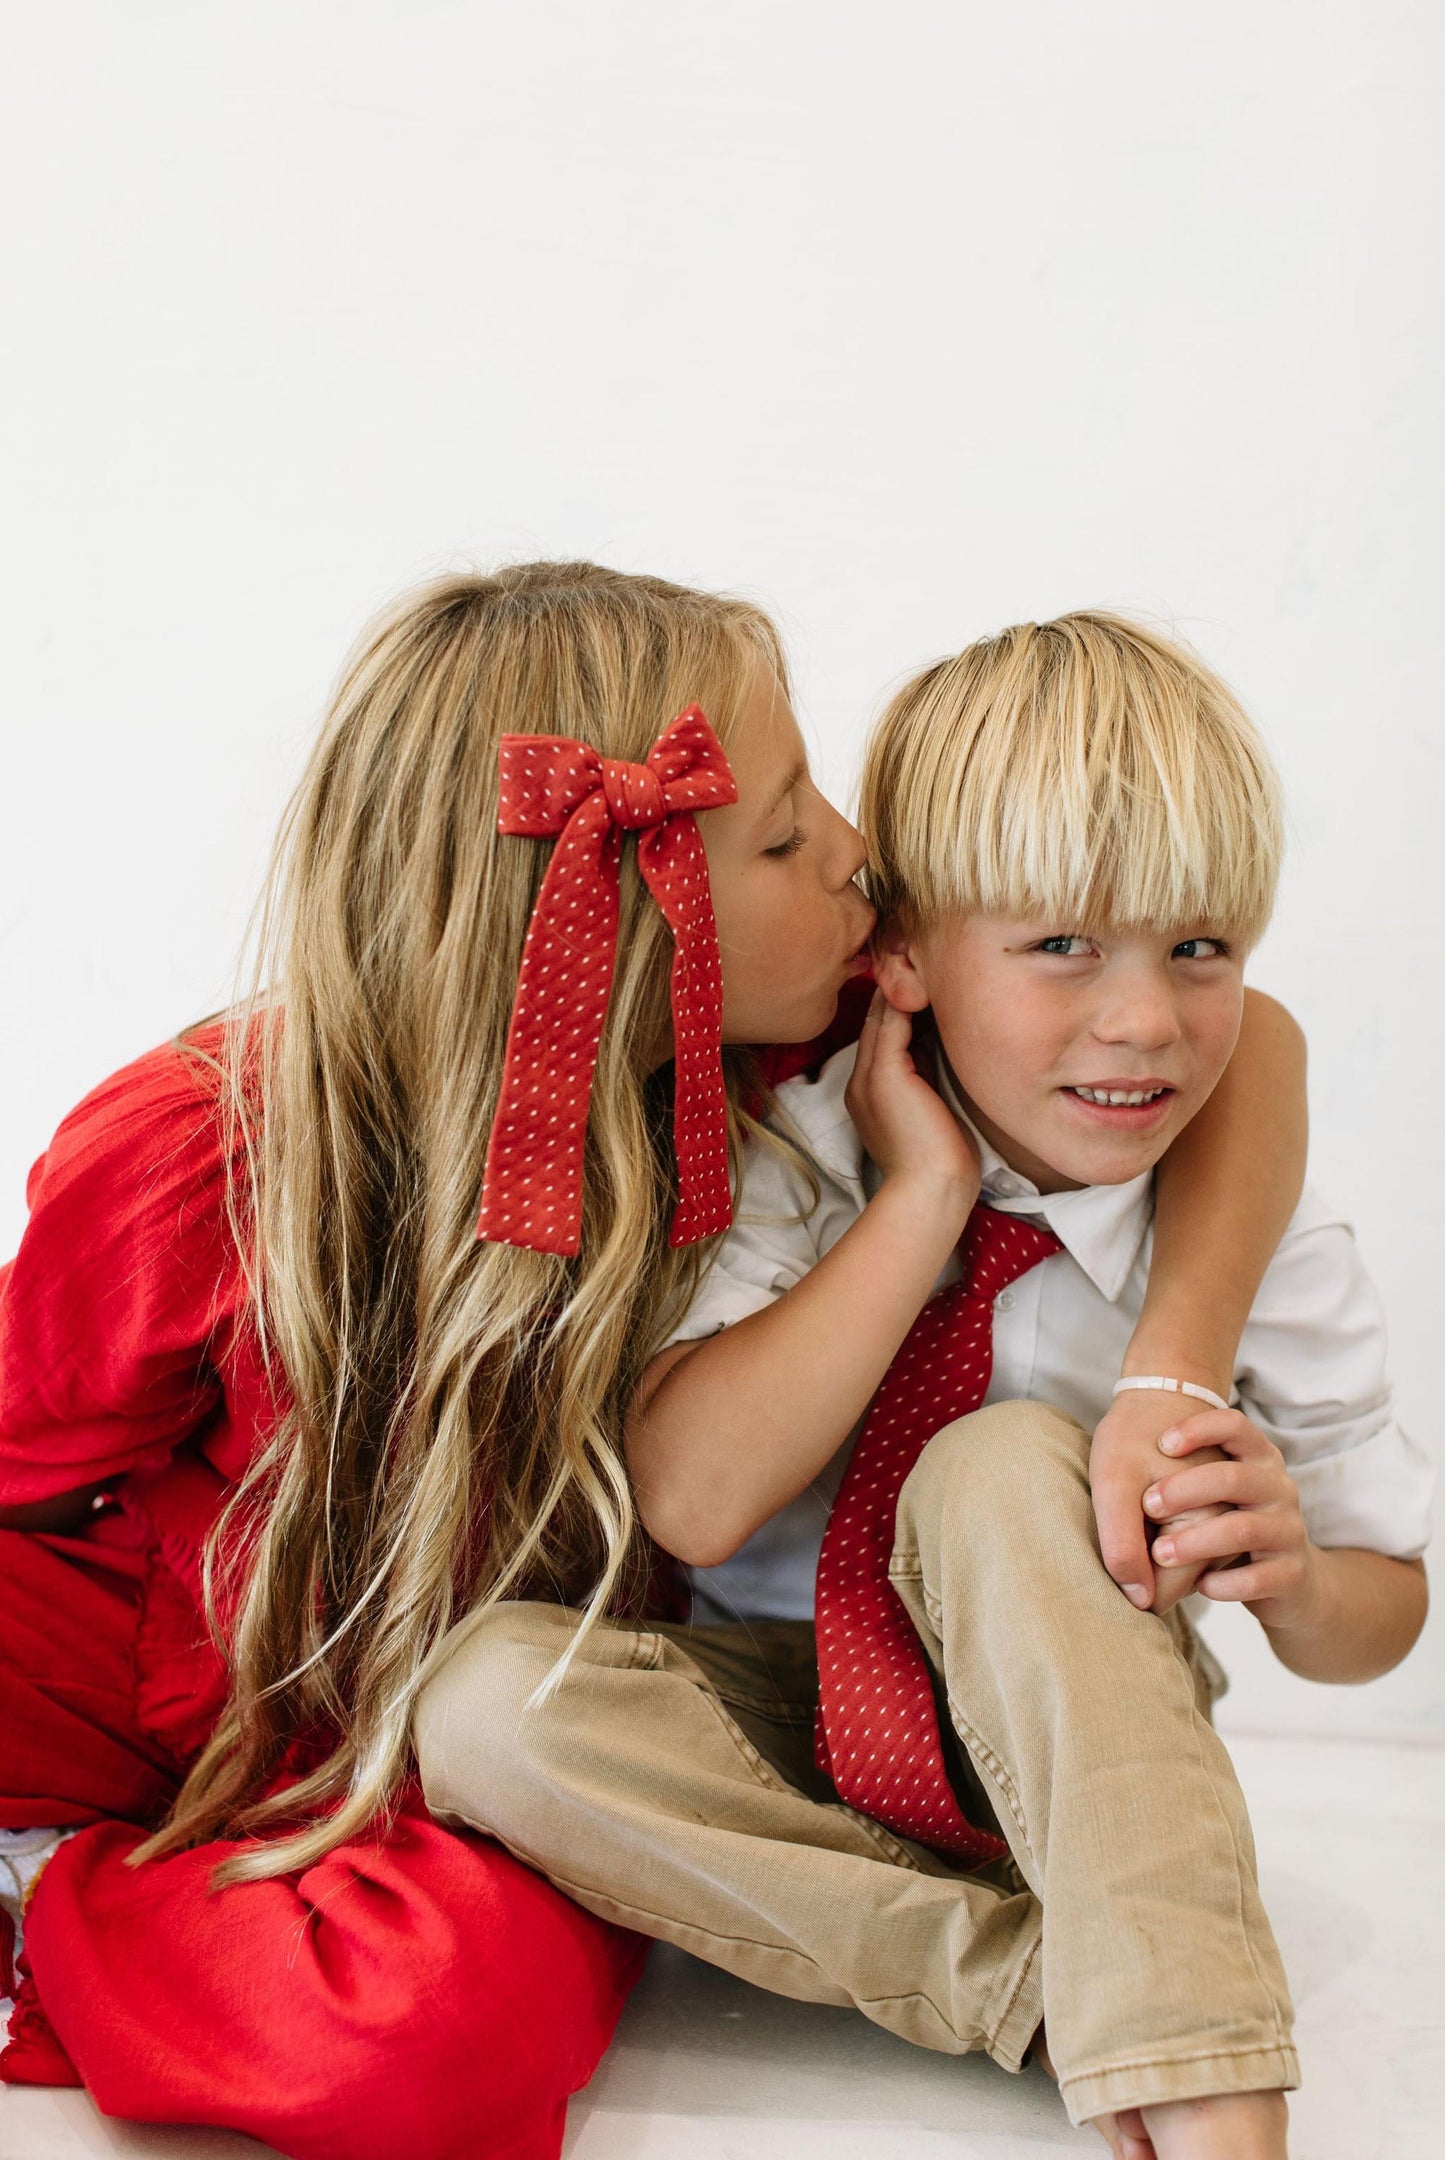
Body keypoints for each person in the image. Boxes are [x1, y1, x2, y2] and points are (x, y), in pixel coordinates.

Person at [0, 569, 1303, 2157]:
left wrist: (1170, 1364)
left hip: (500, 1728)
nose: (851, 856)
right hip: (185, 1658)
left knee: (437, 2028)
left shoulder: (790, 1050)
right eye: (782, 834)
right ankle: (68, 1877)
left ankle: (1107, 1991)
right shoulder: (200, 1146)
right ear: (602, 918)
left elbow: (1251, 1038)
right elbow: (32, 1457)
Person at [415, 613, 1430, 2160]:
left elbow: (1387, 1610)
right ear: (899, 952)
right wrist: (918, 1200)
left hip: (1096, 1731)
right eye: (1059, 947)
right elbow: (690, 1500)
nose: (1144, 1020)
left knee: (1001, 1460)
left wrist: (1293, 1584)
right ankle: (1062, 1987)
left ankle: (1200, 2066)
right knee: (480, 1705)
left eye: (1198, 948)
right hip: (793, 1711)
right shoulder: (793, 1150)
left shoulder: (1251, 1224)